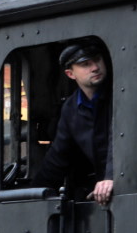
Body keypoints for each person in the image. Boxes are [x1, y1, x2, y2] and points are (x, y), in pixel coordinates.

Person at [34, 42, 114, 205]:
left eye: (97, 60)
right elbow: (58, 157)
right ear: (71, 74)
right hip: (102, 192)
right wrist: (33, 195)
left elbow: (123, 140)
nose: (95, 67)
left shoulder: (119, 93)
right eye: (86, 64)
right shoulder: (70, 109)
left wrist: (112, 177)